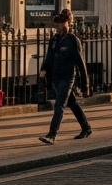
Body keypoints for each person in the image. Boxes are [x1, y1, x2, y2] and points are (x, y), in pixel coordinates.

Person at [38, 9, 91, 144]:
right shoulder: (55, 39)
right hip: (56, 76)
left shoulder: (73, 40)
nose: (58, 27)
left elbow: (81, 63)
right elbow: (49, 56)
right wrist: (43, 69)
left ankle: (52, 134)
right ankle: (86, 127)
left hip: (67, 76)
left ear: (68, 23)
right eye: (57, 25)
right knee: (72, 102)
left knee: (59, 105)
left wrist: (86, 84)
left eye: (61, 24)